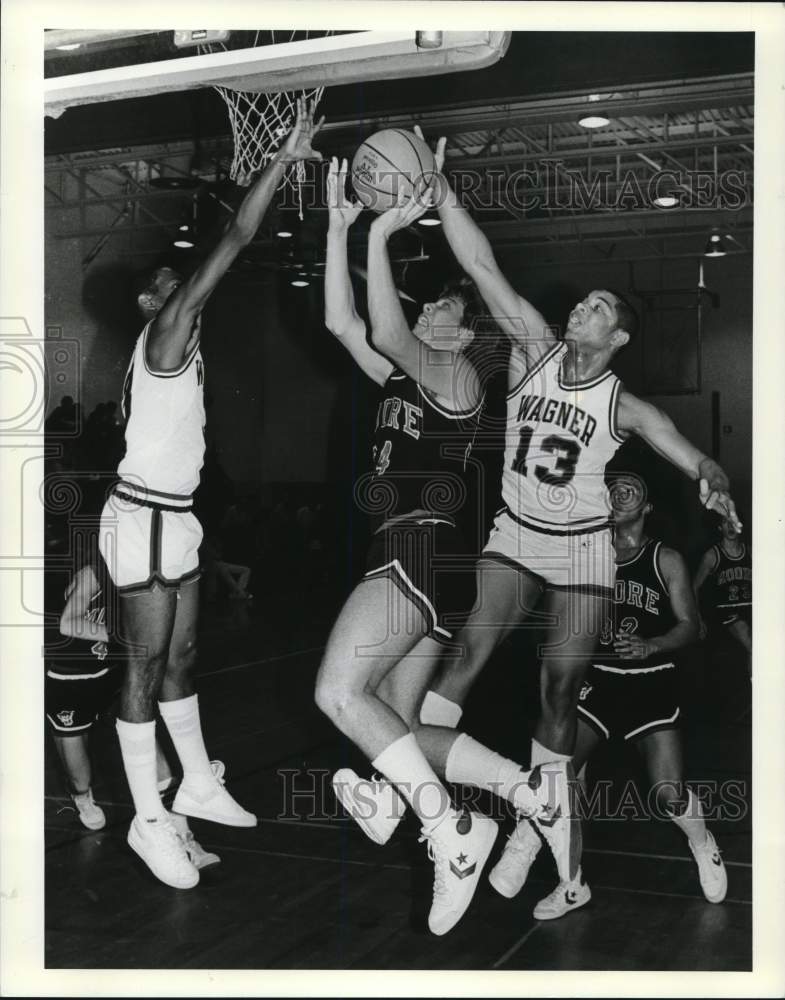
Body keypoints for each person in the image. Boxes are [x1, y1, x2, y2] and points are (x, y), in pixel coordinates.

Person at [343, 127, 740, 916]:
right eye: (581, 303)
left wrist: (712, 477)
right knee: (463, 661)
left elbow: (686, 451)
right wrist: (443, 191)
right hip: (515, 534)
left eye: (594, 309)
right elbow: (484, 264)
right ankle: (413, 792)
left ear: (615, 336)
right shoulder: (528, 349)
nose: (579, 309)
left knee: (558, 692)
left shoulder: (626, 404)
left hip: (583, 552)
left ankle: (543, 831)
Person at [315, 160, 579, 937]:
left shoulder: (454, 372)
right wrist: (338, 231)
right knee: (400, 728)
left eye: (443, 309)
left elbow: (386, 329)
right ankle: (522, 791)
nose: (430, 310)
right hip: (432, 565)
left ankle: (450, 831)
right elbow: (346, 327)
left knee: (337, 693)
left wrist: (381, 229)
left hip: (419, 548)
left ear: (464, 336)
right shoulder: (403, 377)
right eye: (429, 302)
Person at [98, 99, 323, 889]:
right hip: (144, 521)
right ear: (151, 303)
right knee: (142, 663)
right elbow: (233, 241)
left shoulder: (178, 348)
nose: (182, 282)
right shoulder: (163, 334)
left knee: (183, 658)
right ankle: (146, 822)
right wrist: (280, 159)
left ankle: (192, 781)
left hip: (176, 519)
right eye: (169, 280)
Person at [488, 470, 728, 916]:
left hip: (651, 679)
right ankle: (555, 868)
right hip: (596, 679)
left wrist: (651, 644)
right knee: (560, 771)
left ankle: (702, 840)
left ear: (648, 505)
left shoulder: (666, 559)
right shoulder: (585, 556)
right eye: (613, 487)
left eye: (631, 486)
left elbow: (692, 627)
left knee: (667, 794)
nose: (620, 491)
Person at [46, 554, 219, 869]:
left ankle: (185, 840)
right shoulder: (94, 574)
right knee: (79, 778)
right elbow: (68, 622)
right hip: (71, 682)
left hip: (114, 676)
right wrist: (125, 641)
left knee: (151, 750)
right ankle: (82, 796)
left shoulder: (147, 581)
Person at [693, 516, 752, 678]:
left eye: (734, 522)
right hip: (727, 611)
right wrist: (698, 619)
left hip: (750, 607)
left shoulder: (750, 551)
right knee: (752, 644)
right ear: (720, 528)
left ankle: (753, 688)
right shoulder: (712, 555)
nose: (731, 526)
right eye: (726, 523)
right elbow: (695, 586)